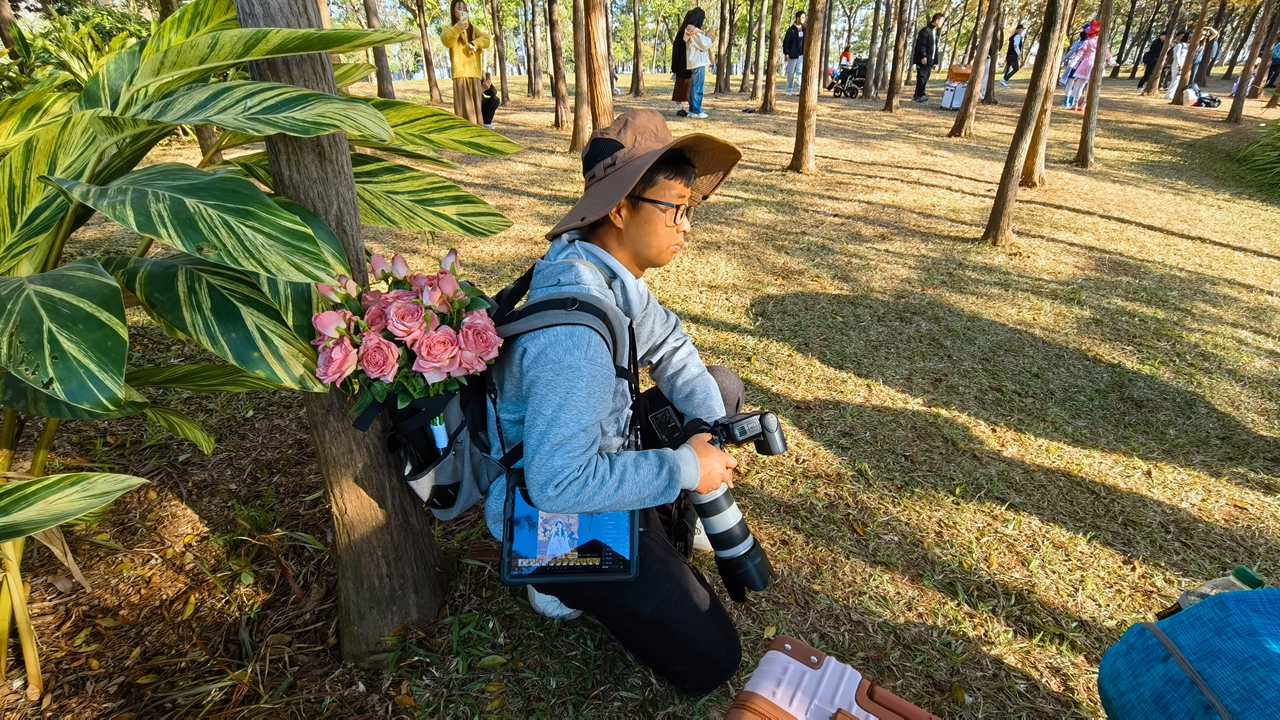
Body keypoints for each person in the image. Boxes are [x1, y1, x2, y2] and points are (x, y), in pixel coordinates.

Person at [483, 108, 745, 696]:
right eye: (674, 207)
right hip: (549, 514)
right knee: (713, 659)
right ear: (620, 208)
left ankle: (656, 523)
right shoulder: (573, 336)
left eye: (691, 208)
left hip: (606, 450)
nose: (685, 226)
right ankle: (554, 583)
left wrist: (705, 435)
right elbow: (556, 483)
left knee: (718, 389)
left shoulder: (610, 275)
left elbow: (673, 348)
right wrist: (686, 468)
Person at [441, 0, 493, 125]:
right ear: (453, 11)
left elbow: (489, 40)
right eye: (459, 9)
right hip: (460, 76)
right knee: (464, 114)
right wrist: (458, 27)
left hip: (475, 76)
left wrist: (475, 44)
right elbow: (446, 41)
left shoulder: (473, 29)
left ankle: (479, 134)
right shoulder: (449, 28)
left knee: (476, 114)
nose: (462, 12)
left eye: (465, 9)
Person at [671, 9, 706, 116]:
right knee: (684, 87)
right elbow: (676, 51)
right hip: (685, 64)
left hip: (685, 64)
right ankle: (685, 108)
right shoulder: (686, 33)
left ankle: (686, 108)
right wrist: (675, 68)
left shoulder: (687, 33)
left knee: (686, 88)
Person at [682, 13, 714, 118]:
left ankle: (692, 110)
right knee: (698, 87)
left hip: (693, 62)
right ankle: (696, 110)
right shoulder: (694, 32)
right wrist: (710, 37)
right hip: (698, 62)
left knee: (694, 87)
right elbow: (704, 44)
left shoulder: (689, 30)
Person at [912, 13, 944, 102]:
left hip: (931, 59)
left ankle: (918, 94)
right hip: (923, 59)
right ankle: (920, 95)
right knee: (922, 76)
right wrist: (923, 56)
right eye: (942, 21)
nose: (942, 23)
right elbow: (921, 45)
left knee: (926, 77)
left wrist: (936, 61)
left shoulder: (935, 32)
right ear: (937, 20)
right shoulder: (925, 31)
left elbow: (935, 48)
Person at [783, 11, 806, 95]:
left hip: (801, 55)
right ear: (797, 18)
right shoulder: (791, 30)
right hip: (792, 55)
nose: (804, 19)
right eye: (802, 17)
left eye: (804, 17)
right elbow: (786, 42)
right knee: (790, 73)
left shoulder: (805, 29)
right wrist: (786, 53)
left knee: (800, 72)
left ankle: (799, 90)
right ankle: (789, 90)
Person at [1165, 32, 1189, 100]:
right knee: (1176, 79)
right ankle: (1170, 95)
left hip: (1182, 64)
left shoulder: (1186, 46)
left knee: (1176, 80)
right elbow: (1176, 55)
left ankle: (1168, 94)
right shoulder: (1179, 45)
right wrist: (1179, 64)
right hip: (1177, 64)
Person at [1000, 23, 1025, 87]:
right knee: (1016, 68)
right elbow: (1016, 46)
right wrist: (1019, 54)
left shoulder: (1013, 37)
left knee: (1008, 69)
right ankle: (1004, 79)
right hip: (1013, 55)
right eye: (1021, 29)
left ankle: (1004, 82)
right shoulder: (1017, 36)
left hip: (1009, 55)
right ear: (1018, 30)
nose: (1022, 31)